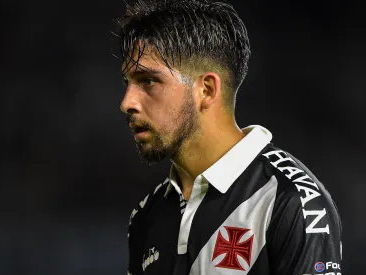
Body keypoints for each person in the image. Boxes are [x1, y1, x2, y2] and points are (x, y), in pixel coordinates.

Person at [116, 0, 342, 274]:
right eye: (127, 83)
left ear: (207, 90)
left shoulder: (290, 201)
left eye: (148, 81)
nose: (127, 102)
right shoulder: (145, 216)